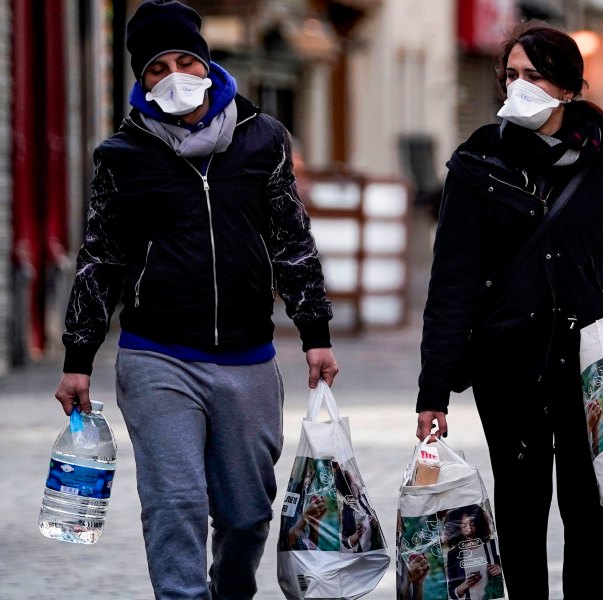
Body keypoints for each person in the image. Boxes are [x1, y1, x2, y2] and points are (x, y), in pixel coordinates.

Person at [51, 2, 338, 597]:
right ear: (141, 79)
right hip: (157, 355)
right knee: (174, 504)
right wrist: (78, 356)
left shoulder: (263, 140)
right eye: (158, 67)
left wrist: (316, 334)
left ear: (208, 65)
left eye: (186, 60)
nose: (175, 75)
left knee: (246, 513)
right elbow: (101, 257)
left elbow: (292, 240)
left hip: (249, 359)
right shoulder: (121, 157)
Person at [415, 21, 603, 599]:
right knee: (520, 511)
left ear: (567, 88)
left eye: (535, 76)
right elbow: (451, 283)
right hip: (506, 362)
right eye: (512, 75)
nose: (519, 86)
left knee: (590, 508)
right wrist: (433, 394)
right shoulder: (477, 161)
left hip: (587, 362)